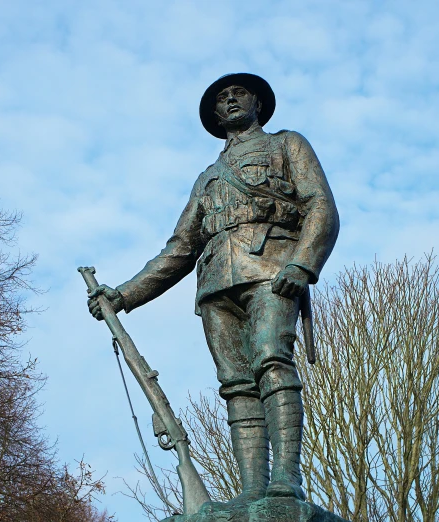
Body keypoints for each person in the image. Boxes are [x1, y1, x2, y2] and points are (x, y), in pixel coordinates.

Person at [88, 73, 339, 503]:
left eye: (238, 93)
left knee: (272, 362)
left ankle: (285, 479)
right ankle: (252, 490)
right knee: (236, 385)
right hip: (215, 288)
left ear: (257, 103)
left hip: (271, 270)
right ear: (215, 116)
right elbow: (181, 248)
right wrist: (124, 294)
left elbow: (321, 205)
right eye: (222, 99)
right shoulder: (206, 179)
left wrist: (303, 263)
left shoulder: (286, 145)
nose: (230, 101)